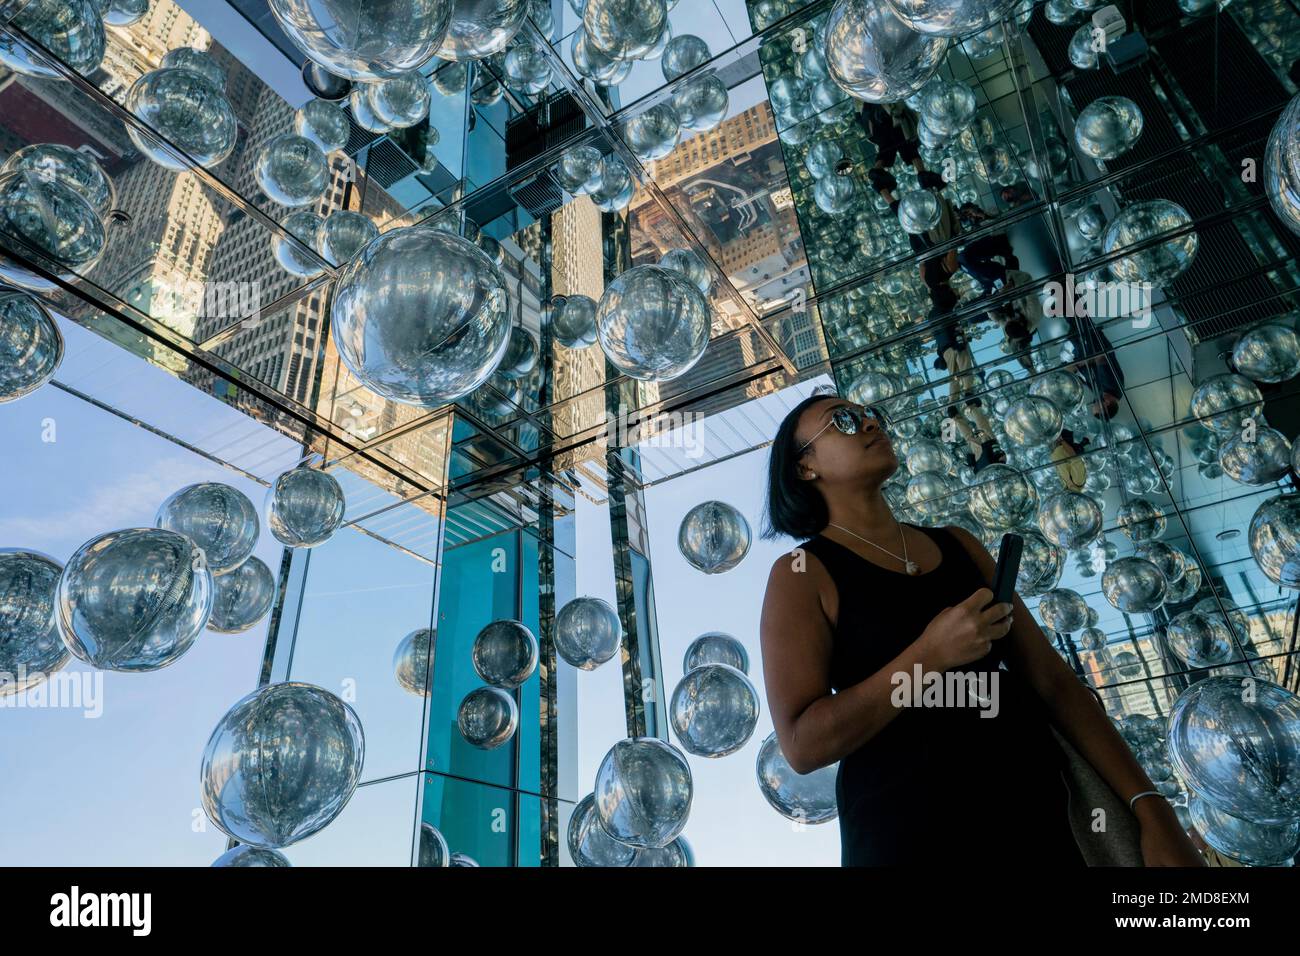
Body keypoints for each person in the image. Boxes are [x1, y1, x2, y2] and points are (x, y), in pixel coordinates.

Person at [757, 393, 1207, 867]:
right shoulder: (801, 574)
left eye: (871, 415)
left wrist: (1151, 808)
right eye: (843, 420)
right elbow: (803, 745)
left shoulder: (957, 544)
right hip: (908, 838)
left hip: (1041, 820)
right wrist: (928, 656)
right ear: (805, 467)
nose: (870, 423)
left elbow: (1054, 683)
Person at [925, 282, 1005, 472]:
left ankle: (964, 401)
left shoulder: (941, 313)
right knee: (957, 376)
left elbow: (948, 331)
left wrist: (958, 340)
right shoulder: (936, 315)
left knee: (962, 373)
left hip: (949, 347)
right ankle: (957, 407)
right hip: (947, 348)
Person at [858, 102, 946, 213]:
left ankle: (922, 176)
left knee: (898, 146)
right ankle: (922, 176)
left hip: (883, 119)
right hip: (885, 120)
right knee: (899, 147)